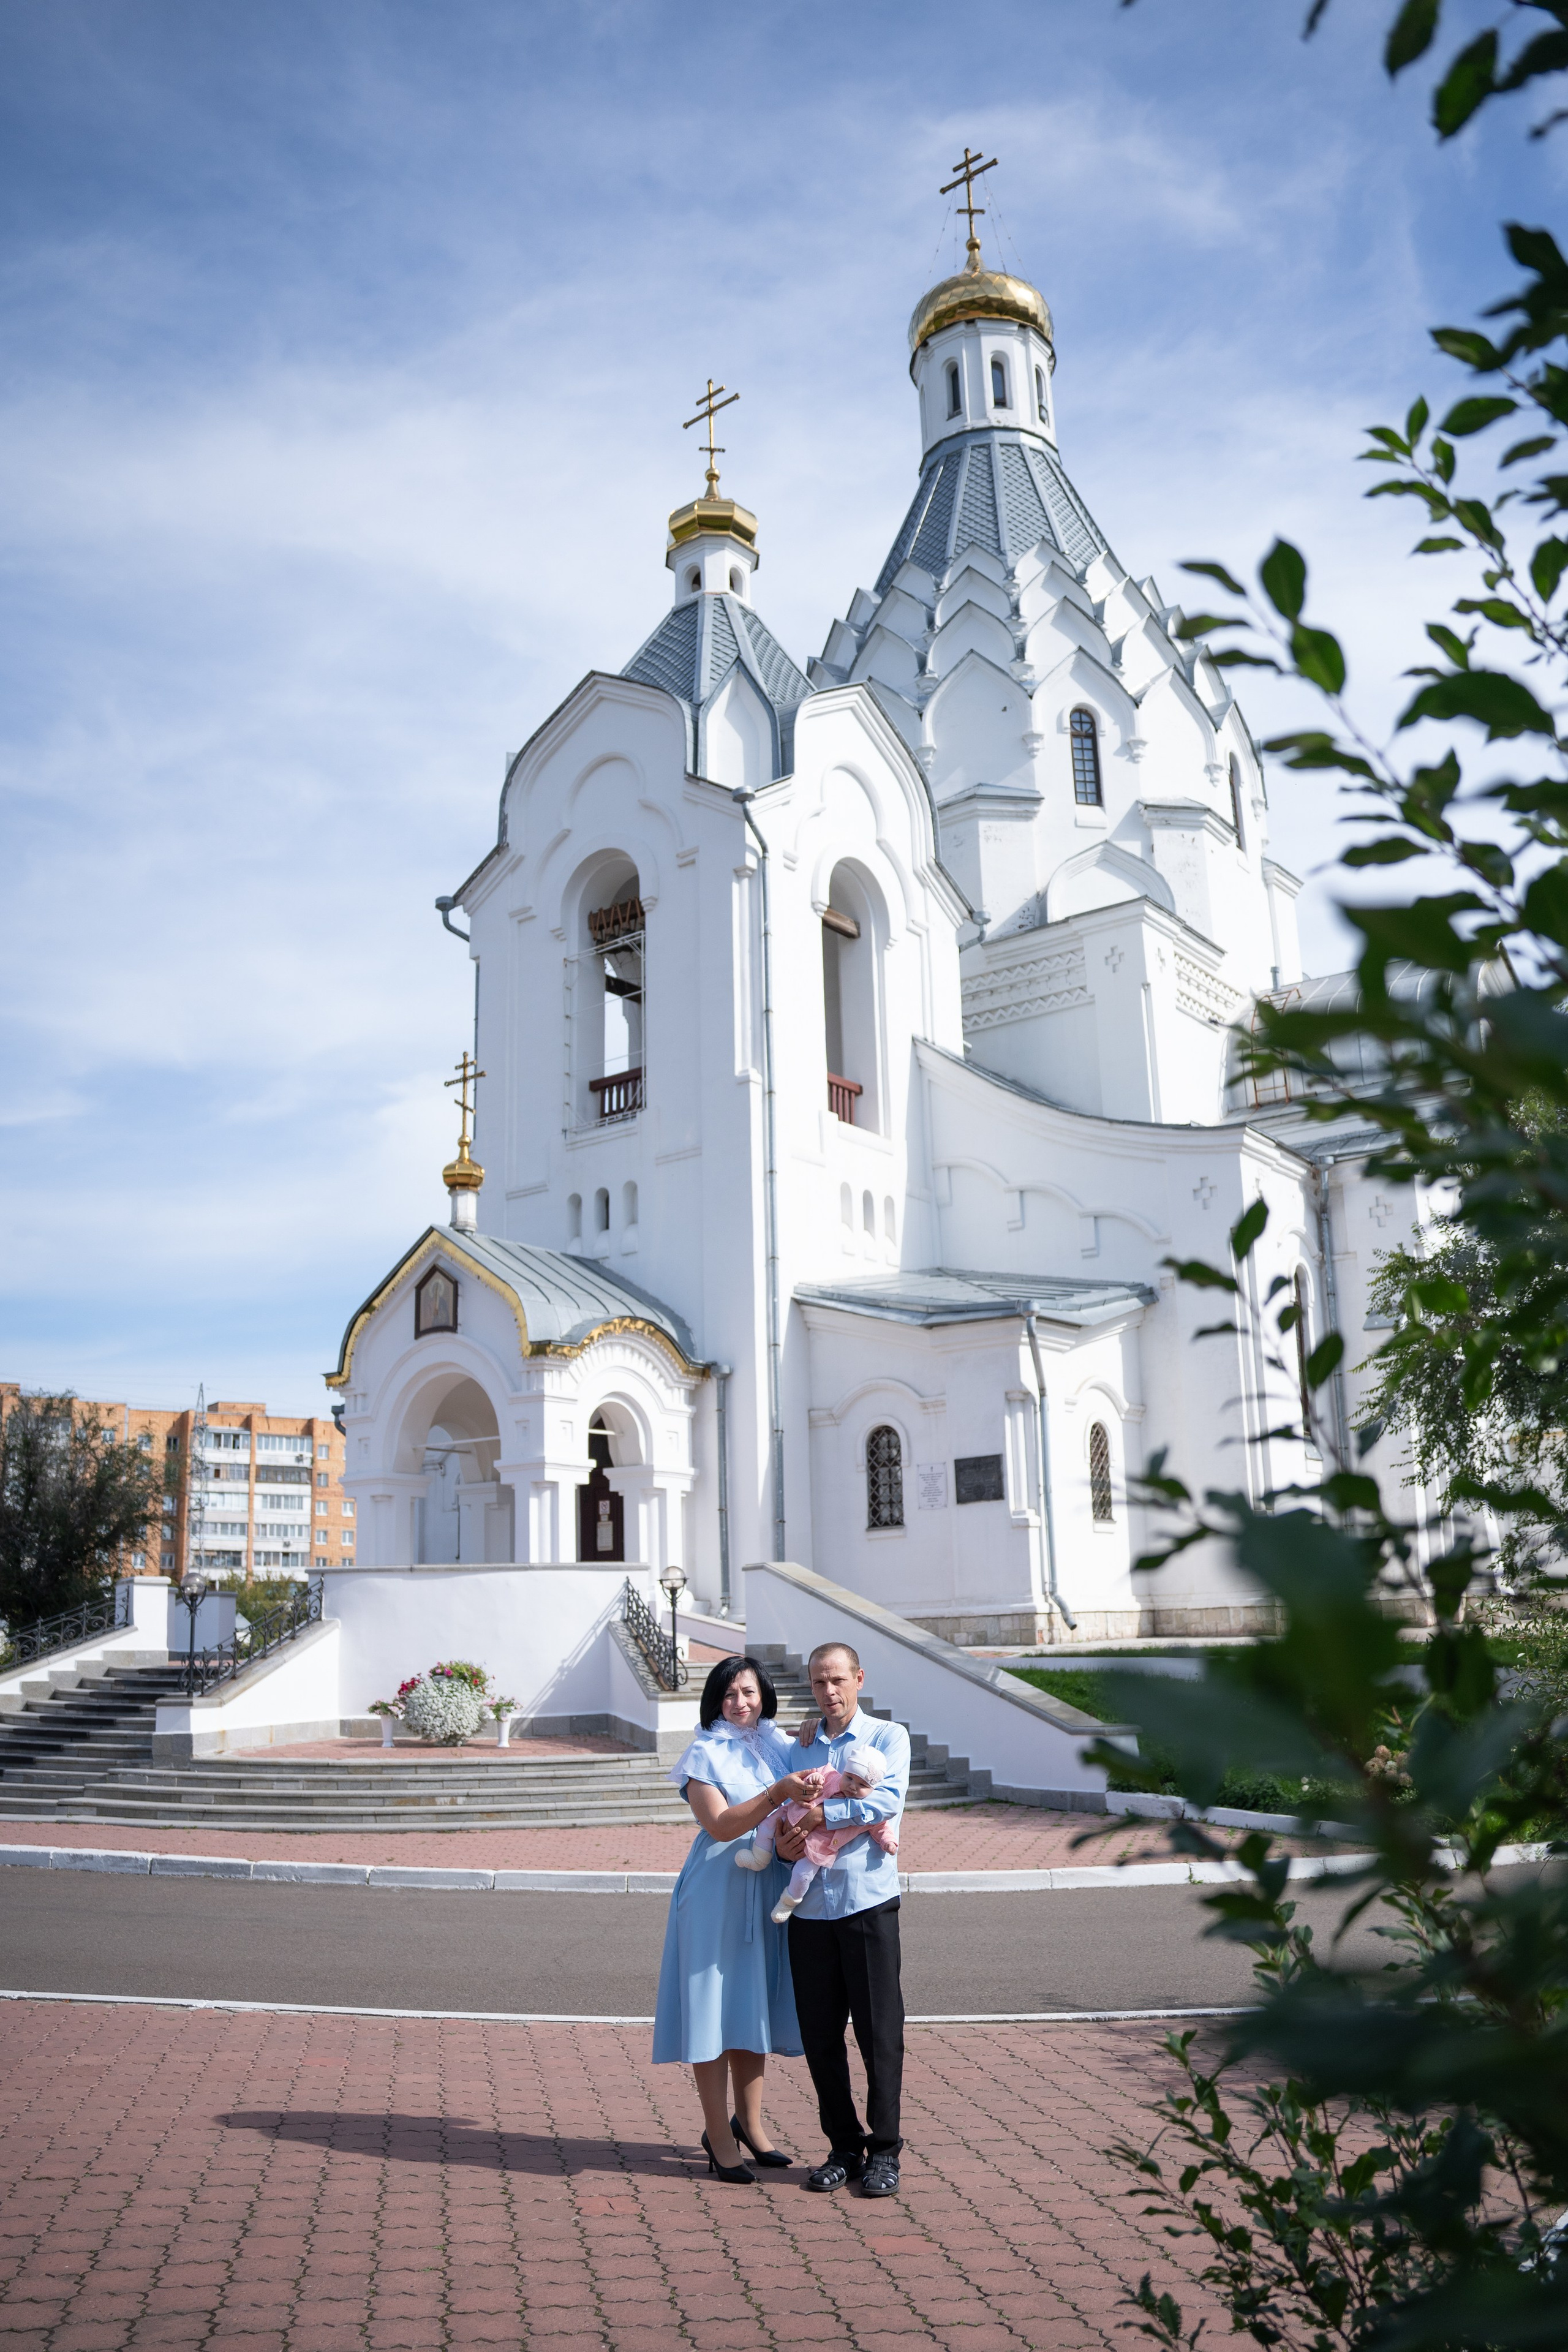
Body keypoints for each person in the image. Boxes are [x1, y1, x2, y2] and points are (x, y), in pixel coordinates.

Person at [651, 1652, 822, 2184]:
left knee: (752, 2006)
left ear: (763, 1695)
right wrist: (777, 1794)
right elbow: (722, 1825)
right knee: (713, 2010)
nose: (740, 1703)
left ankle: (750, 2123)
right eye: (729, 1694)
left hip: (766, 1884)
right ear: (715, 1701)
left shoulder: (776, 1744)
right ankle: (717, 2135)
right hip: (717, 1891)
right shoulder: (704, 1752)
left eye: (749, 1692)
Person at [777, 1641, 910, 2199]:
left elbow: (886, 1802)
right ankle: (842, 2147)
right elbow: (784, 1818)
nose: (828, 1693)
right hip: (809, 1913)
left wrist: (823, 1812)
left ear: (858, 1679)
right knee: (821, 2036)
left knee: (880, 2033)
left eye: (837, 1681)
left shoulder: (887, 1737)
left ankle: (884, 2151)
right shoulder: (800, 1745)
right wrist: (786, 1845)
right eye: (817, 1684)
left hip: (866, 1905)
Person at [733, 1742, 898, 1920]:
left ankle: (788, 1902)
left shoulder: (867, 1809)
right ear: (845, 1772)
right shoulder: (829, 1775)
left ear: (872, 1789)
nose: (852, 1787)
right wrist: (813, 1779)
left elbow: (881, 1826)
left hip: (819, 1845)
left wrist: (888, 1841)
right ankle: (759, 1857)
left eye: (862, 1785)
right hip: (790, 1814)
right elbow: (810, 1778)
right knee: (766, 1825)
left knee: (803, 1874)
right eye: (849, 1778)